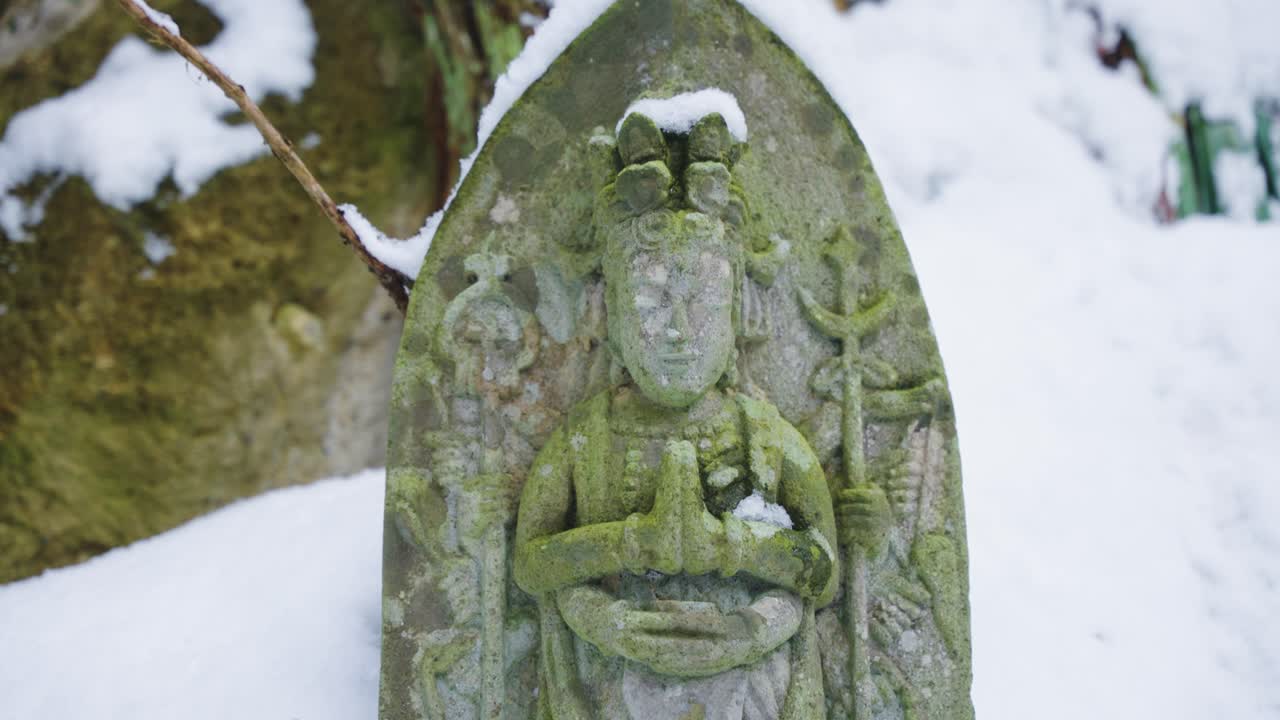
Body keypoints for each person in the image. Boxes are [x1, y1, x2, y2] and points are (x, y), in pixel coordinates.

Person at [514, 111, 839, 720]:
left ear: (739, 307)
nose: (679, 331)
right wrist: (622, 558)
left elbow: (822, 571)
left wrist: (737, 567)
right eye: (652, 300)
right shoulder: (589, 437)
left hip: (748, 684)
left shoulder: (763, 436)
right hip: (615, 677)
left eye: (703, 302)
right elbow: (533, 563)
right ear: (609, 309)